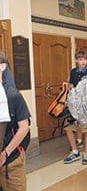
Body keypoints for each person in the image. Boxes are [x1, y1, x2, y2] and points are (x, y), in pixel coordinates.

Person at [0, 54, 31, 191]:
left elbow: (24, 128)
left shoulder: (13, 95)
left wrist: (5, 153)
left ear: (2, 66)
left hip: (11, 159)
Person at [63, 50, 87, 165]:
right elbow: (68, 83)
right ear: (76, 60)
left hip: (86, 105)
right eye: (80, 59)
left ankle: (86, 153)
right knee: (69, 127)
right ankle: (75, 151)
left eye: (85, 59)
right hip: (73, 104)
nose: (83, 61)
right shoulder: (73, 72)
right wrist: (68, 85)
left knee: (86, 129)